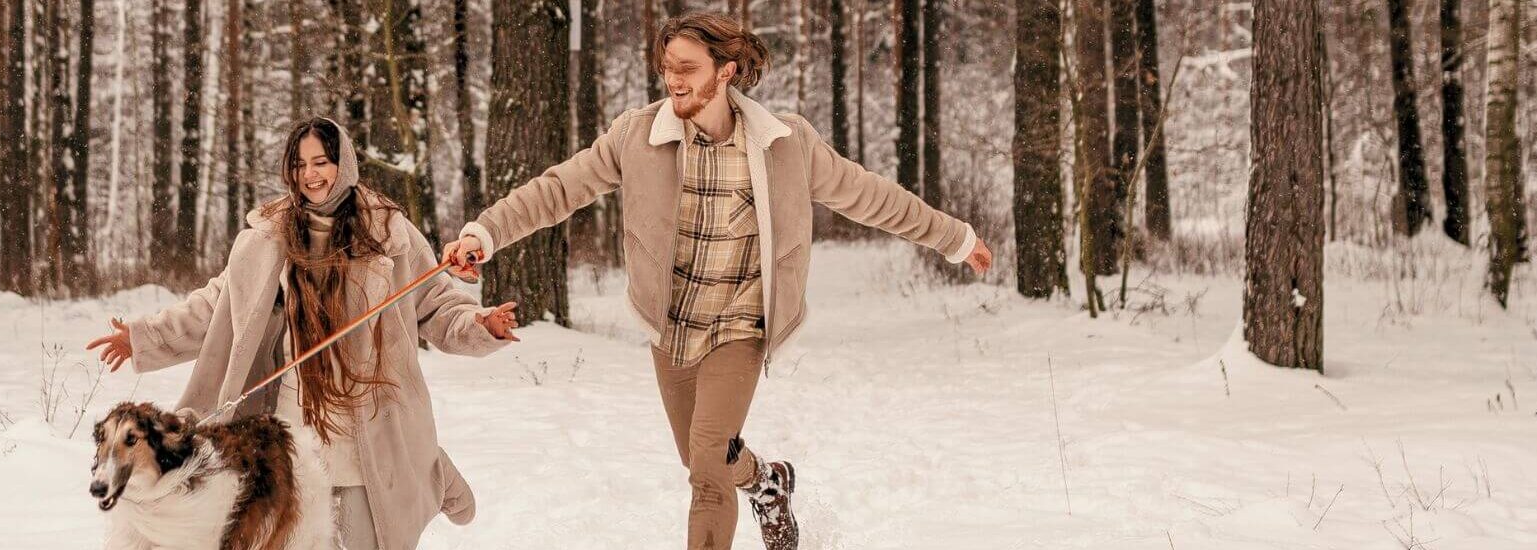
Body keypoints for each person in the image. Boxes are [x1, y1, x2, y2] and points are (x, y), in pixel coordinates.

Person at [440, 12, 993, 550]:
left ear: (725, 71)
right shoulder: (637, 135)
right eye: (667, 68)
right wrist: (483, 234)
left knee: (706, 470)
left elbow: (872, 197)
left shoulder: (785, 145)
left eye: (688, 68)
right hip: (673, 326)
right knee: (705, 457)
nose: (673, 79)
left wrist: (955, 238)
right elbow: (558, 188)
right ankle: (766, 481)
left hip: (740, 325)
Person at [87, 117, 520, 550]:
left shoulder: (389, 232)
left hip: (364, 430)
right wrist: (143, 337)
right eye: (299, 165)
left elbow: (437, 304)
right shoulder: (267, 236)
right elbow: (215, 306)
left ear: (343, 164)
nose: (310, 175)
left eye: (321, 162)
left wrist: (481, 324)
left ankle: (428, 468)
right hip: (294, 438)